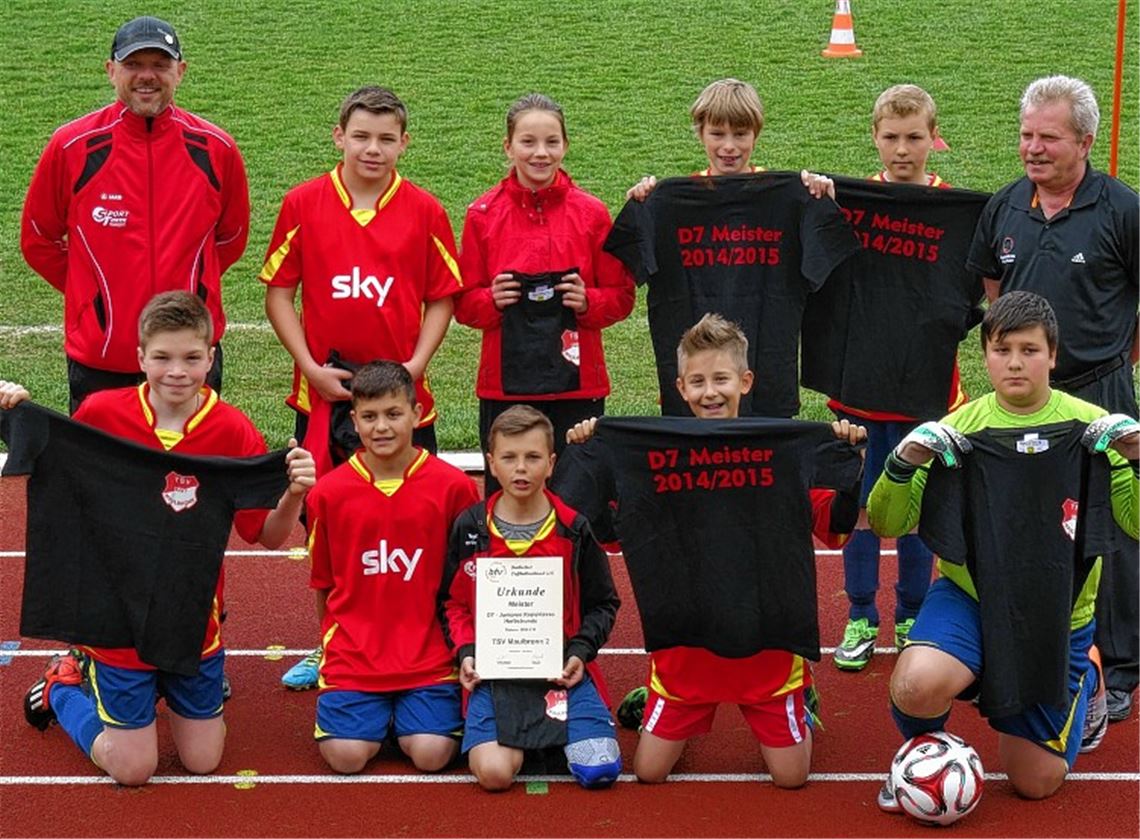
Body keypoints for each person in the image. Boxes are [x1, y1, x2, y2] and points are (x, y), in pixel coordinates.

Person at [3, 291, 314, 786]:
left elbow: (269, 539)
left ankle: (155, 690)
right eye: (163, 357)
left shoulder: (233, 431)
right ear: (140, 357)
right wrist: (19, 411)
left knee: (203, 761)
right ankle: (63, 686)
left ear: (211, 359)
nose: (177, 371)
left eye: (192, 358)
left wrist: (294, 494)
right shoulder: (101, 413)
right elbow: (54, 460)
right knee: (133, 769)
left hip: (193, 622)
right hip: (118, 626)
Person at [561, 313, 867, 788]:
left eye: (721, 379)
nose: (711, 392)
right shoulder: (653, 456)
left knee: (791, 779)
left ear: (745, 381)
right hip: (686, 655)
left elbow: (835, 527)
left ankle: (801, 698)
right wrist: (591, 451)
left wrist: (851, 464)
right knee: (648, 773)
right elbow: (610, 534)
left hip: (766, 654)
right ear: (680, 388)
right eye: (698, 381)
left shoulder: (780, 451)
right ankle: (656, 696)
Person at [869, 291, 1139, 807]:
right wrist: (901, 463)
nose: (1015, 363)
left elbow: (1136, 524)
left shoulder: (1093, 430)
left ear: (1053, 355)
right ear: (984, 355)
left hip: (1056, 613)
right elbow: (887, 522)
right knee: (917, 684)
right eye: (1002, 349)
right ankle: (923, 761)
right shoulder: (957, 432)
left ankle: (1090, 673)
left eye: (1030, 350)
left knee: (1033, 784)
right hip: (972, 597)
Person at [262, 86, 465, 690]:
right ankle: (332, 646)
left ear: (404, 142)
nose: (372, 149)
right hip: (324, 398)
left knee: (417, 529)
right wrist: (309, 367)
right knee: (331, 527)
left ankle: (428, 644)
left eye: (385, 138)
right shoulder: (303, 203)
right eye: (361, 136)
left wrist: (415, 367)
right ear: (339, 137)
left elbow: (442, 296)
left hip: (403, 403)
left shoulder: (425, 209)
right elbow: (279, 292)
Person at [966, 75, 1139, 722]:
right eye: (1026, 135)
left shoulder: (1124, 211)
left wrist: (1113, 353)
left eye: (1048, 137)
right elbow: (992, 283)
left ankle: (1118, 669)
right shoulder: (1007, 205)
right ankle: (1015, 657)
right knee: (1020, 528)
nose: (1033, 149)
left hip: (1099, 397)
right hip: (1024, 406)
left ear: (1085, 141)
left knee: (1113, 533)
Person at [20, 16, 249, 414]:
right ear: (111, 71)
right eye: (133, 65)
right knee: (101, 475)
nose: (147, 77)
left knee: (191, 475)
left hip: (187, 357)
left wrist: (193, 291)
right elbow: (38, 240)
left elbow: (230, 239)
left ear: (180, 71)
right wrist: (91, 299)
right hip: (103, 358)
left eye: (160, 65)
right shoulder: (71, 147)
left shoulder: (216, 150)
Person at [830, 84, 962, 671]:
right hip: (859, 382)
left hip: (927, 384)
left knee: (915, 504)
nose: (902, 149)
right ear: (874, 137)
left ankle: (912, 613)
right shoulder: (850, 203)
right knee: (861, 503)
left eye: (914, 137)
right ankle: (860, 614)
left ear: (934, 138)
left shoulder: (957, 209)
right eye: (891, 137)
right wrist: (819, 197)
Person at [304, 361, 479, 774]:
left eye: (393, 414)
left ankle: (401, 718)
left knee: (432, 755)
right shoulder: (328, 493)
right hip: (355, 654)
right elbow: (323, 583)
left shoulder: (454, 487)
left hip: (430, 654)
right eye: (369, 416)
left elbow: (471, 578)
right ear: (354, 421)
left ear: (417, 415)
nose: (381, 427)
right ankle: (373, 716)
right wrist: (331, 645)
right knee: (345, 758)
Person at [455, 93, 635, 495]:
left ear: (565, 145)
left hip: (579, 386)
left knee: (576, 498)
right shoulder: (482, 215)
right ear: (508, 146)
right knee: (508, 497)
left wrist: (590, 301)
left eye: (552, 142)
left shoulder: (592, 214)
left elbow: (622, 295)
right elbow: (462, 303)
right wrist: (490, 301)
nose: (540, 153)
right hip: (505, 386)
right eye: (528, 142)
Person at [439, 405, 622, 791]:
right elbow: (452, 604)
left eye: (533, 457)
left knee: (599, 770)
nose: (521, 468)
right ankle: (539, 739)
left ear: (552, 463)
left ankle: (552, 732)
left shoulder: (573, 528)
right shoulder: (471, 527)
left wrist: (579, 652)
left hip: (563, 674)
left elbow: (604, 603)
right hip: (495, 678)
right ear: (491, 464)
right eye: (509, 457)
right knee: (494, 775)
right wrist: (467, 653)